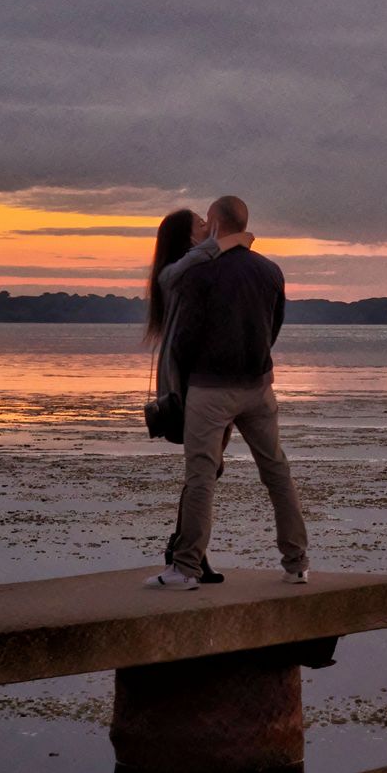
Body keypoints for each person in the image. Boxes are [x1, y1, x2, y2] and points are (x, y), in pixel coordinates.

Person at [144, 195, 311, 589]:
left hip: (210, 388)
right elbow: (274, 327)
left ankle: (184, 569)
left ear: (215, 224)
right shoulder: (270, 270)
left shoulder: (195, 275)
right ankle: (297, 563)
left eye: (206, 219)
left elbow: (183, 337)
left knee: (201, 476)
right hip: (258, 388)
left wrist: (182, 389)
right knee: (277, 472)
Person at [143, 208, 254, 585]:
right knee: (205, 466)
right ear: (189, 238)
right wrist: (232, 238)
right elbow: (207, 252)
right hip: (191, 381)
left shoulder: (188, 271)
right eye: (201, 225)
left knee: (208, 466)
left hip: (198, 377)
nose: (210, 229)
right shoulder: (181, 272)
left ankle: (185, 547)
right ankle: (186, 550)